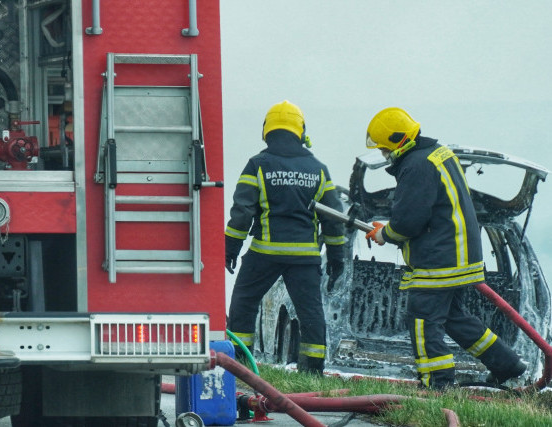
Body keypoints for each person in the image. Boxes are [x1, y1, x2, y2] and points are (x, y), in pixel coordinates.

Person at [364, 107, 527, 389]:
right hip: (459, 257)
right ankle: (507, 365)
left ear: (397, 141)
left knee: (422, 321)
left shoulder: (416, 165)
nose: (383, 153)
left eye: (384, 148)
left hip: (439, 262)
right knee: (455, 318)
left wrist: (385, 234)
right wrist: (390, 230)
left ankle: (437, 383)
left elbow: (408, 222)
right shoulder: (438, 153)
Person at [225, 101, 346, 374]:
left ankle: (240, 367)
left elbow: (242, 213)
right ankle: (313, 371)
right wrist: (336, 258)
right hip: (305, 257)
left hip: (264, 253)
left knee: (244, 303)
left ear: (267, 130)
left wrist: (230, 247)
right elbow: (333, 220)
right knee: (310, 312)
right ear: (300, 131)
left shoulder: (257, 165)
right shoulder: (318, 169)